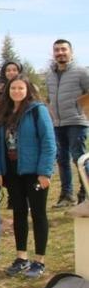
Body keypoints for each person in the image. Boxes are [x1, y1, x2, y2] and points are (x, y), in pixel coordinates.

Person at [0, 75, 56, 279]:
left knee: (38, 214)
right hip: (13, 172)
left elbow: (48, 142)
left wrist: (45, 172)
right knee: (18, 213)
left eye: (20, 88)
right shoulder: (3, 114)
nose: (17, 91)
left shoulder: (37, 111)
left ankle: (39, 260)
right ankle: (21, 257)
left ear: (27, 90)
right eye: (13, 88)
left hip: (35, 173)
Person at [46, 39, 89, 206]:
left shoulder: (81, 72)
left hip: (77, 122)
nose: (60, 53)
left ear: (71, 52)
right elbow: (50, 98)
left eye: (63, 49)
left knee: (79, 158)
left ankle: (85, 192)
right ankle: (66, 195)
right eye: (57, 50)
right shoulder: (50, 75)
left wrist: (82, 111)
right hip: (57, 124)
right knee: (61, 159)